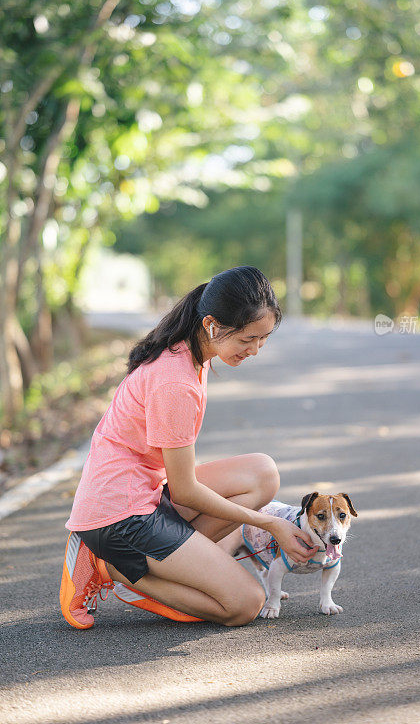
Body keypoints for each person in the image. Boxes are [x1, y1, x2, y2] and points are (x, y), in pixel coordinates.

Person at [60, 265, 319, 629]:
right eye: (247, 340)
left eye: (263, 339)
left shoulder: (189, 352)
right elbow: (185, 491)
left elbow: (179, 484)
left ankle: (186, 568)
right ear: (212, 325)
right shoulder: (175, 383)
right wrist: (270, 523)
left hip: (145, 493)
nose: (256, 350)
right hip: (120, 517)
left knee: (262, 473)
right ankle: (116, 569)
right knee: (246, 603)